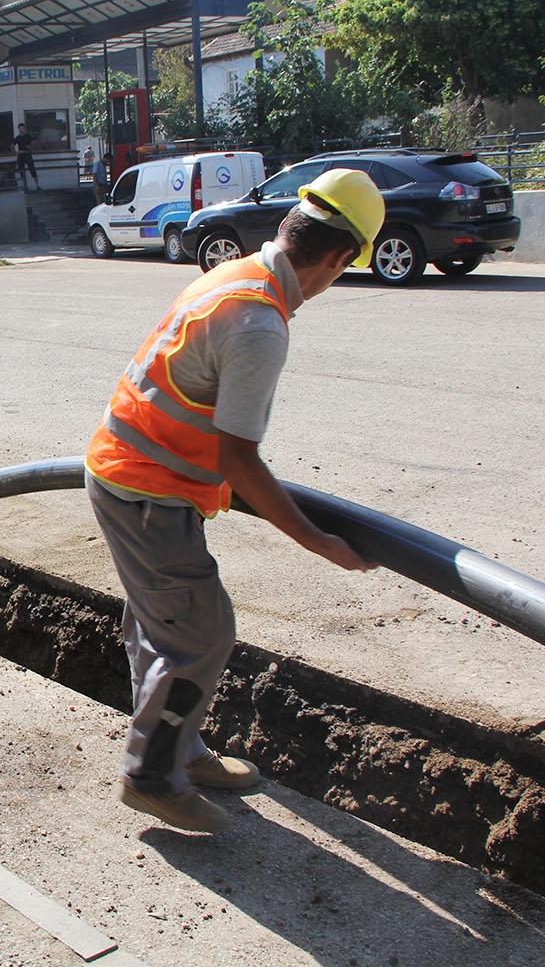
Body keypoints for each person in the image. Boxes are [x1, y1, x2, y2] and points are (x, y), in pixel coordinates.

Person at [85, 168, 386, 835]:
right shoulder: (259, 325)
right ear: (339, 258)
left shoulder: (236, 274)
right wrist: (318, 541)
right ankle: (151, 774)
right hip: (147, 491)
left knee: (161, 626)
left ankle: (180, 749)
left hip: (126, 473)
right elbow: (237, 459)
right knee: (200, 632)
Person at [12, 122, 40, 191]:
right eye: (21, 129)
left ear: (25, 129)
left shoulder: (28, 136)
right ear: (18, 129)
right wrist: (16, 152)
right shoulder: (17, 138)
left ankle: (37, 186)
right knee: (21, 171)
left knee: (32, 170)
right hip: (21, 155)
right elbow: (12, 146)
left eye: (23, 128)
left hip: (28, 154)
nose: (22, 130)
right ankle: (25, 187)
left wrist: (29, 147)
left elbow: (33, 145)